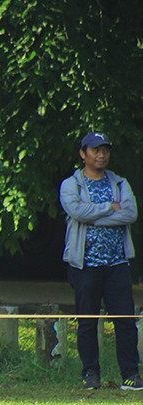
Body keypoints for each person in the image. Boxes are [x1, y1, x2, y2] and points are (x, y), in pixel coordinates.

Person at [60, 132, 143, 390]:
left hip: (117, 263)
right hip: (84, 265)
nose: (101, 155)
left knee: (125, 321)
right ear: (83, 153)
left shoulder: (119, 183)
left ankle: (130, 374)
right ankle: (90, 374)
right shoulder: (71, 184)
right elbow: (76, 211)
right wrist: (109, 208)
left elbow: (130, 214)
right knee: (87, 321)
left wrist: (94, 217)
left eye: (105, 150)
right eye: (95, 150)